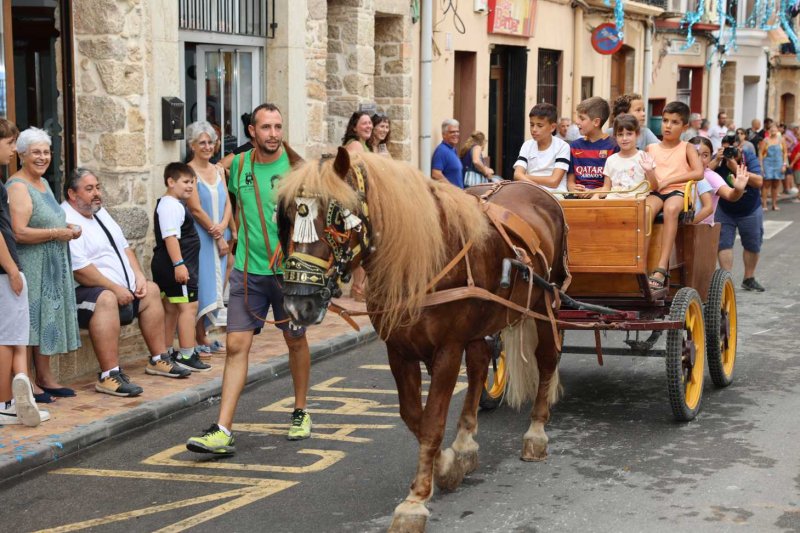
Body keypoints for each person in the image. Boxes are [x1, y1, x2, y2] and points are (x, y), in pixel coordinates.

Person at [186, 103, 312, 455]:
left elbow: (312, 221)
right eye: (266, 127)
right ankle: (223, 428)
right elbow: (216, 189)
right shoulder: (237, 165)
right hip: (246, 272)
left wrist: (291, 252)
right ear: (252, 132)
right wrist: (231, 231)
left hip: (291, 274)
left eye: (278, 126)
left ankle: (300, 410)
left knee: (295, 341)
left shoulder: (298, 168)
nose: (273, 133)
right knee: (236, 346)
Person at [62, 168, 191, 394]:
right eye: (89, 189)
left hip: (120, 291)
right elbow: (81, 270)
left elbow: (124, 248)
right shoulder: (67, 220)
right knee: (106, 298)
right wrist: (115, 287)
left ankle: (159, 359)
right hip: (82, 297)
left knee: (151, 290)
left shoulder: (100, 213)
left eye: (98, 187)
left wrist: (138, 277)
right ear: (72, 194)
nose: (96, 193)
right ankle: (108, 375)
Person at [6, 127, 81, 403]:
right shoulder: (17, 186)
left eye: (46, 152)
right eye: (35, 152)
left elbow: (48, 218)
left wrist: (67, 226)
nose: (42, 157)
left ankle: (46, 378)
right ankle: (27, 383)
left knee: (47, 319)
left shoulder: (43, 183)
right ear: (22, 154)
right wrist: (57, 233)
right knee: (31, 323)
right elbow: (18, 232)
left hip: (51, 265)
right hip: (33, 264)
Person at [0, 119, 48, 426]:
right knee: (8, 338)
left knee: (15, 338)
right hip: (5, 271)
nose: (12, 151)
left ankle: (19, 395)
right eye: (8, 145)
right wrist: (12, 269)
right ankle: (5, 403)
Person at [151, 162, 211, 374]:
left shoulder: (172, 203)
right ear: (170, 182)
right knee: (188, 308)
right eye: (185, 182)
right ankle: (187, 354)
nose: (190, 187)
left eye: (192, 183)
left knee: (171, 308)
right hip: (177, 266)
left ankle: (166, 351)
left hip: (171, 266)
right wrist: (179, 265)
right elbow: (170, 236)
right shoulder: (171, 206)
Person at [640, 101, 703, 289]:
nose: (668, 126)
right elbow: (649, 180)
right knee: (645, 211)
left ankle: (661, 266)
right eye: (665, 121)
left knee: (671, 208)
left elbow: (698, 172)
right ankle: (640, 264)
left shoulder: (687, 147)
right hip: (656, 190)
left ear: (684, 127)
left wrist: (671, 180)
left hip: (678, 192)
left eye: (674, 122)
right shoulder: (651, 148)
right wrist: (653, 177)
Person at [186, 121, 231, 356]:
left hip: (220, 234)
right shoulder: (188, 173)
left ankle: (204, 331)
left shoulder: (219, 170)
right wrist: (217, 234)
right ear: (192, 145)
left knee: (216, 285)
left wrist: (224, 227)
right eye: (202, 142)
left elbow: (228, 202)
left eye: (210, 142)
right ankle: (198, 336)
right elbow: (195, 209)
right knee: (203, 285)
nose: (207, 146)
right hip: (202, 237)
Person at [709, 134, 766, 291]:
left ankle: (749, 278)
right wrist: (716, 160)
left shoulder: (749, 157)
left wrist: (735, 167)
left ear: (739, 148)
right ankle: (726, 282)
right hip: (725, 209)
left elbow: (759, 181)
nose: (729, 153)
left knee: (753, 244)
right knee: (723, 244)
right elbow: (703, 173)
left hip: (750, 209)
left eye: (732, 149)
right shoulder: (718, 159)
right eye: (726, 149)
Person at [342, 112, 373, 302]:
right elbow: (356, 174)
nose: (369, 126)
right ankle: (358, 288)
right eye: (364, 123)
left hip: (362, 200)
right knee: (361, 244)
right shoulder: (355, 145)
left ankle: (360, 287)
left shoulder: (365, 146)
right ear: (354, 127)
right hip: (357, 201)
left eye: (370, 123)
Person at [687, 136, 748, 225]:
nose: (699, 160)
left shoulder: (710, 176)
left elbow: (731, 195)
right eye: (695, 154)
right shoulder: (680, 172)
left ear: (711, 156)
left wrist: (738, 189)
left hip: (702, 231)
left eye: (705, 155)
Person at [513, 103, 570, 192]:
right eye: (532, 125)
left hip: (556, 195)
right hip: (531, 192)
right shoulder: (527, 145)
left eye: (539, 126)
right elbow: (517, 175)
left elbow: (554, 181)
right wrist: (536, 187)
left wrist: (525, 177)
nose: (534, 129)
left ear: (552, 127)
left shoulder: (562, 146)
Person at [568, 96, 618, 197]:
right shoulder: (574, 146)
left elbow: (614, 185)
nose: (577, 121)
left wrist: (594, 192)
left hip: (603, 199)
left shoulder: (614, 146)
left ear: (596, 122)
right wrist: (575, 190)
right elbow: (570, 183)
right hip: (576, 199)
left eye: (582, 118)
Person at [602, 114, 656, 199]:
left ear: (637, 134)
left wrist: (649, 171)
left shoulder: (644, 157)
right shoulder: (610, 160)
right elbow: (606, 188)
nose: (624, 138)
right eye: (620, 134)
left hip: (636, 203)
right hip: (613, 203)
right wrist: (596, 195)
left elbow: (654, 187)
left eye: (629, 134)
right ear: (615, 136)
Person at [759, 123, 787, 211]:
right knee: (766, 184)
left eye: (775, 130)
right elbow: (760, 153)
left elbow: (785, 153)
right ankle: (764, 204)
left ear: (777, 131)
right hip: (768, 163)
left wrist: (784, 165)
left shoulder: (782, 140)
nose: (773, 132)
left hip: (778, 163)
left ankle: (774, 204)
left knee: (776, 184)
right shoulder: (765, 140)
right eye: (771, 130)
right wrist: (761, 166)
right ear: (769, 131)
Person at [431, 119, 463, 188]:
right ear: (444, 135)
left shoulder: (453, 149)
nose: (456, 134)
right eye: (452, 132)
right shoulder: (441, 151)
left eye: (457, 132)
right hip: (449, 196)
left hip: (458, 195)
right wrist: (452, 188)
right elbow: (436, 173)